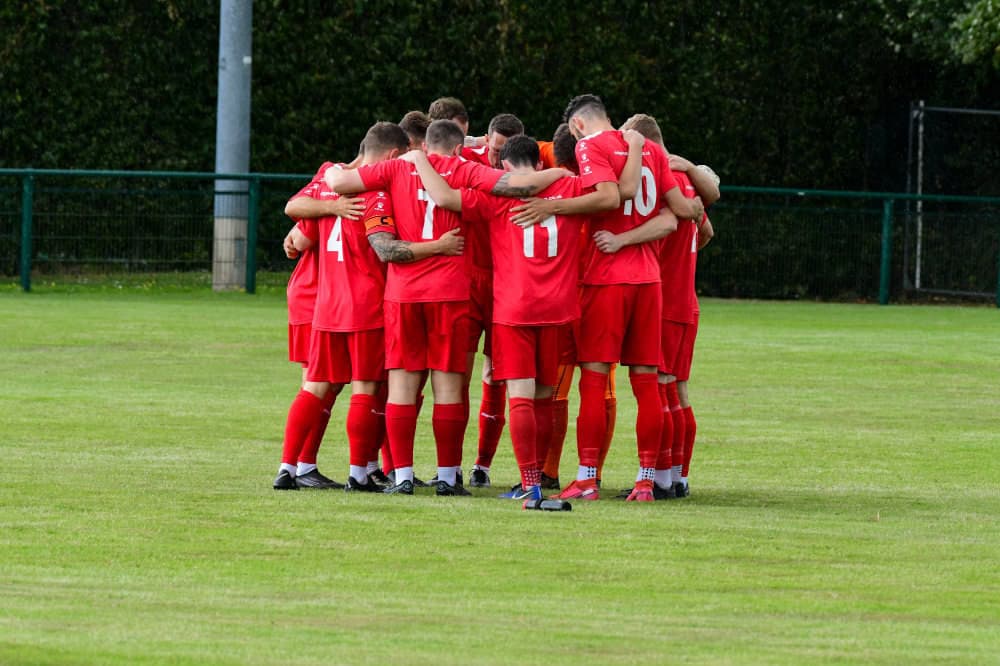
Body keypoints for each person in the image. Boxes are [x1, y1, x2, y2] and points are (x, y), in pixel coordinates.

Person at [325, 119, 572, 496]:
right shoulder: (465, 169)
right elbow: (516, 185)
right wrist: (558, 172)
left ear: (424, 146)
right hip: (450, 292)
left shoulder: (397, 167)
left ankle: (402, 477)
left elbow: (339, 181)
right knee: (449, 387)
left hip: (403, 293)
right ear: (458, 148)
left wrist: (335, 180)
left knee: (402, 386)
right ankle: (447, 476)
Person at [430, 133, 645, 500]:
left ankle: (530, 483)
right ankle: (539, 480)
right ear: (541, 162)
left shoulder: (497, 196)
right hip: (559, 309)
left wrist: (420, 161)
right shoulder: (571, 187)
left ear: (504, 167)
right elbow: (619, 192)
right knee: (545, 397)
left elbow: (446, 197)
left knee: (521, 397)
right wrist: (636, 150)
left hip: (514, 309)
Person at [516, 94, 703, 502]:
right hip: (649, 280)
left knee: (594, 379)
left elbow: (608, 197)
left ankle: (587, 478)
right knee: (647, 383)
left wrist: (555, 208)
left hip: (606, 278)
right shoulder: (650, 148)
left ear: (577, 125)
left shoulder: (590, 146)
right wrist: (701, 186)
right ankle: (646, 480)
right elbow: (679, 213)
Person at [279, 122, 463, 494]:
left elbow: (298, 236)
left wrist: (325, 211)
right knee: (366, 387)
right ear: (393, 156)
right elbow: (385, 248)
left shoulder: (330, 183)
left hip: (326, 306)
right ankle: (359, 472)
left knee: (314, 386)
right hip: (365, 304)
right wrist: (438, 246)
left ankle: (288, 467)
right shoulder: (375, 194)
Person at [618, 113, 718, 499]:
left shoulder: (660, 178)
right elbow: (706, 230)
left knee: (658, 391)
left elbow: (668, 225)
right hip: (685, 301)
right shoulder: (685, 180)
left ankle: (660, 479)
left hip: (662, 301)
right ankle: (678, 477)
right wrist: (684, 261)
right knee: (677, 392)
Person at [273, 172, 363, 490]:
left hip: (326, 295)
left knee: (331, 383)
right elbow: (297, 226)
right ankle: (299, 466)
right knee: (317, 382)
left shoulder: (344, 182)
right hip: (315, 295)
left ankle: (302, 465)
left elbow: (298, 233)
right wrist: (330, 208)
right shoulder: (333, 178)